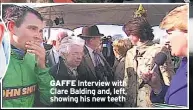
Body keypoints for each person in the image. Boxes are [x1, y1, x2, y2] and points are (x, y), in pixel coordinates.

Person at [2, 5, 54, 107]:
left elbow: (49, 99)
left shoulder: (35, 58)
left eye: (40, 31)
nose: (38, 36)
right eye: (32, 28)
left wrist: (42, 67)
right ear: (11, 27)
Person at [123, 17, 175, 107]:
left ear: (138, 34)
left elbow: (169, 79)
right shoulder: (130, 53)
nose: (129, 37)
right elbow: (127, 78)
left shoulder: (159, 50)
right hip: (130, 103)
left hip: (150, 103)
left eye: (130, 34)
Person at [142, 5, 188, 107]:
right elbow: (173, 99)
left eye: (170, 33)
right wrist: (157, 87)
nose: (166, 40)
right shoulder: (184, 64)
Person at [77, 25, 114, 107]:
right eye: (98, 38)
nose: (100, 40)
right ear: (91, 40)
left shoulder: (98, 53)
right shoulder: (80, 55)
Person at [49, 36, 85, 107]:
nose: (79, 57)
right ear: (63, 54)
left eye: (81, 53)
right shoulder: (54, 73)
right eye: (75, 53)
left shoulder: (84, 70)